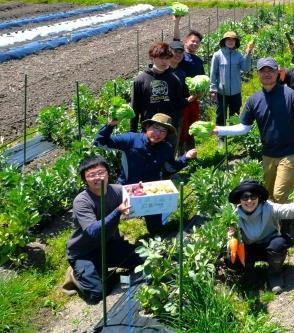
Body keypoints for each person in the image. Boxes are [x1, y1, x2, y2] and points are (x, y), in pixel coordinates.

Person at [214, 58, 294, 204]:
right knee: (269, 194)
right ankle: (293, 211)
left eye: (271, 70)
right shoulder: (254, 100)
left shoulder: (290, 95)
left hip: (290, 152)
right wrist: (219, 130)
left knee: (280, 194)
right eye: (263, 71)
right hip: (269, 153)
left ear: (277, 73)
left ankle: (288, 220)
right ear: (258, 74)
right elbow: (244, 128)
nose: (267, 74)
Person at [94, 113, 197, 233]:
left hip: (150, 190)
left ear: (166, 135)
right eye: (155, 128)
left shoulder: (166, 148)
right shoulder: (131, 139)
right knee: (111, 218)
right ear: (147, 127)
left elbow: (170, 168)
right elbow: (100, 142)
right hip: (125, 187)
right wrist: (110, 125)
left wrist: (186, 157)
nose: (158, 134)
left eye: (163, 131)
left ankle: (156, 239)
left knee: (155, 226)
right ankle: (111, 239)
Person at [63, 155, 142, 302]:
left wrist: (141, 193)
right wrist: (117, 211)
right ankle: (77, 273)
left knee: (141, 259)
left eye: (101, 172)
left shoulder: (117, 190)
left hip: (109, 244)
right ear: (85, 179)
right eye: (91, 175)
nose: (97, 177)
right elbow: (93, 231)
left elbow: (137, 200)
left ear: (108, 173)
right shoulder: (82, 201)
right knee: (97, 294)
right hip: (84, 251)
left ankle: (100, 269)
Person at [226, 180, 294, 293]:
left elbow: (287, 210)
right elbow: (230, 239)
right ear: (239, 200)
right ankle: (251, 273)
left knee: (279, 244)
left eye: (253, 196)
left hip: (270, 245)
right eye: (245, 197)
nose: (249, 200)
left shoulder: (268, 207)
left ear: (259, 197)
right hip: (249, 248)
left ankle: (275, 274)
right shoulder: (234, 217)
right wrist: (229, 236)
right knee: (231, 255)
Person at [131, 42, 187, 152]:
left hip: (170, 128)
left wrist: (190, 99)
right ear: (152, 58)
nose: (164, 62)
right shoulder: (141, 80)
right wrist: (132, 132)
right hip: (150, 127)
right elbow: (135, 107)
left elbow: (179, 103)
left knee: (168, 157)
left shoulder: (174, 79)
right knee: (149, 157)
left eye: (167, 58)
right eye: (161, 58)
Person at [172, 17, 206, 151]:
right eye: (192, 41)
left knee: (193, 127)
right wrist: (176, 22)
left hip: (194, 100)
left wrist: (202, 91)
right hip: (183, 100)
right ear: (185, 41)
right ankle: (180, 156)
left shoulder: (198, 60)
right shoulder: (180, 56)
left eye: (197, 43)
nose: (195, 44)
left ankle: (191, 154)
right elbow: (175, 42)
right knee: (182, 128)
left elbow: (202, 78)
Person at [210, 30, 254, 125]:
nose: (230, 41)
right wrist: (213, 89)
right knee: (221, 115)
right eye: (228, 39)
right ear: (224, 41)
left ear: (235, 42)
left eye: (233, 40)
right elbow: (213, 73)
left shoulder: (238, 55)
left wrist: (248, 54)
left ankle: (233, 136)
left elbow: (246, 68)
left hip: (236, 92)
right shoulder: (217, 55)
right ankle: (221, 137)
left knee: (234, 115)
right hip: (222, 92)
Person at [168, 40, 199, 153]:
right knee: (170, 140)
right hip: (168, 112)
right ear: (169, 52)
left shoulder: (181, 72)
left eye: (180, 52)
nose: (178, 54)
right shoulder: (164, 71)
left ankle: (185, 160)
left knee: (183, 134)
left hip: (181, 110)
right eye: (175, 51)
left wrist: (194, 95)